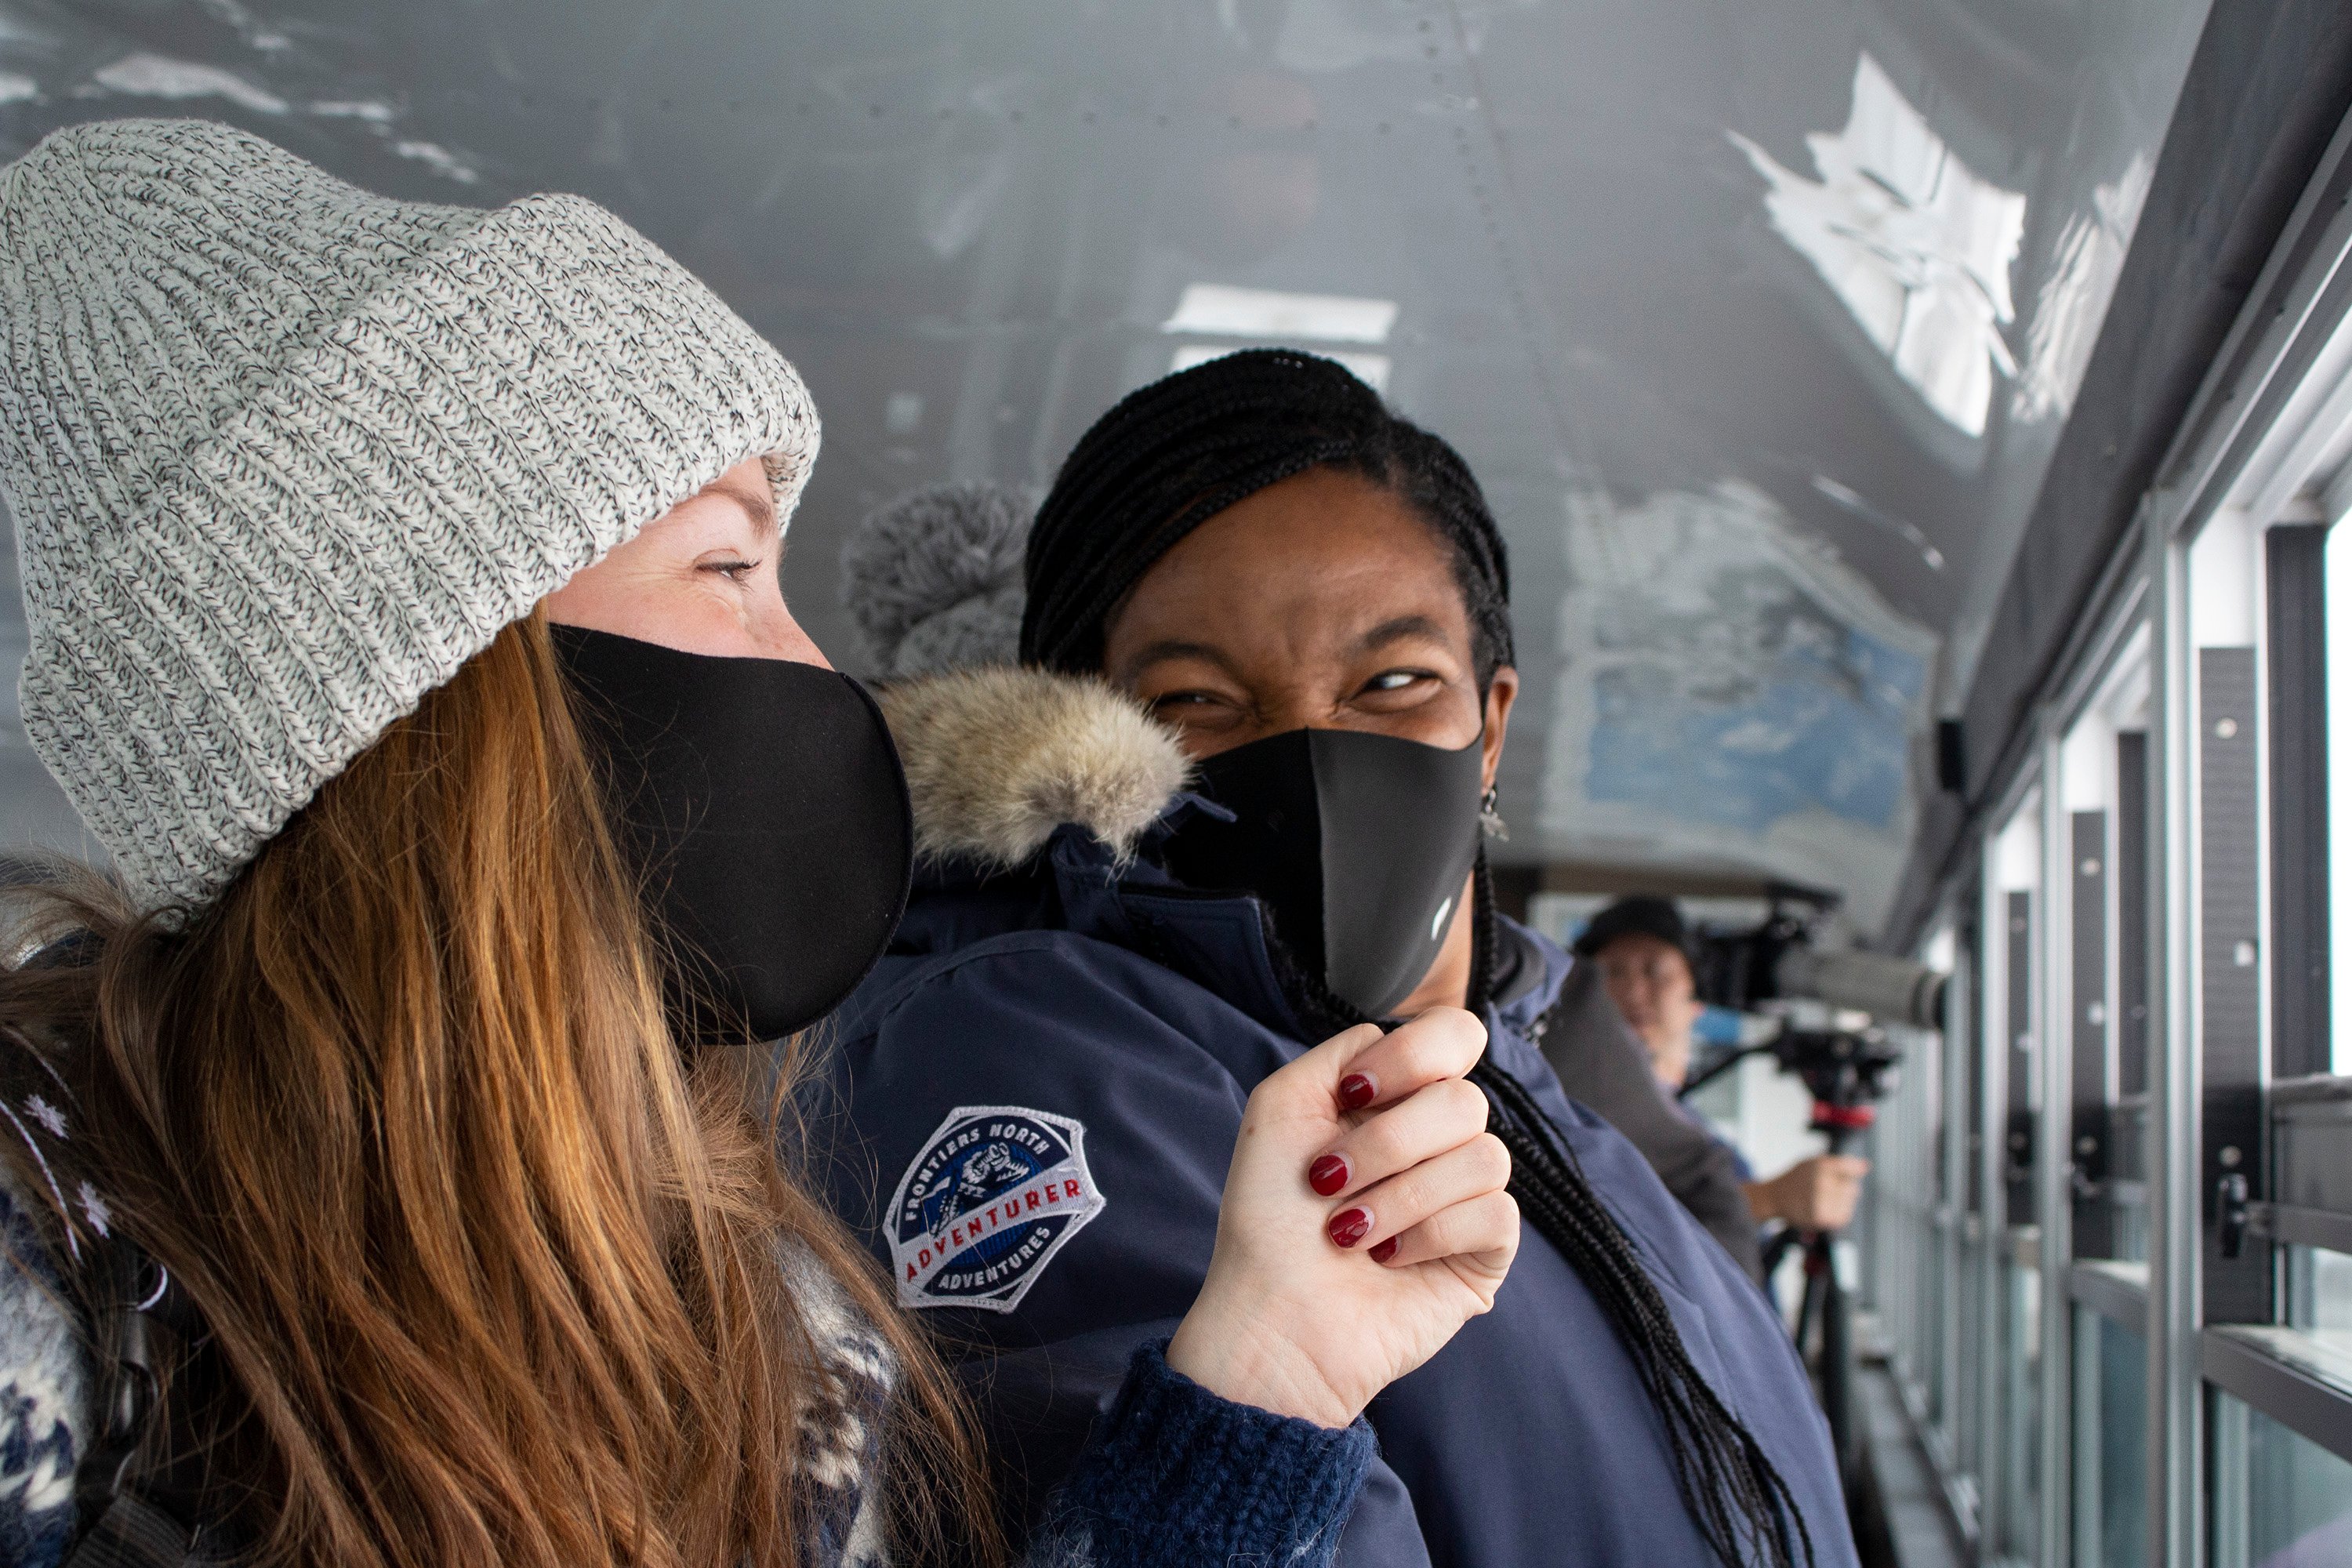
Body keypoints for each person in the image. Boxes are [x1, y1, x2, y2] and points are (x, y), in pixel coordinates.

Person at [0, 121, 1521, 1568]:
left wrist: (1261, 1377)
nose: (816, 672)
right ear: (414, 670)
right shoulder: (53, 1262)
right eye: (730, 561)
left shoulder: (763, 1315)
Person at [813, 349, 1857, 1567]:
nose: (1315, 749)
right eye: (1200, 699)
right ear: (1079, 738)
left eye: (1395, 680)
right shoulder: (1032, 1060)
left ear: (1492, 724)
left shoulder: (1545, 1096)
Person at [1575, 898, 1870, 1233]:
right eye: (1613, 972)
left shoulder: (1719, 1158)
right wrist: (1768, 1200)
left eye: (1654, 970)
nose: (1633, 989)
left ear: (1696, 997)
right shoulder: (1570, 1108)